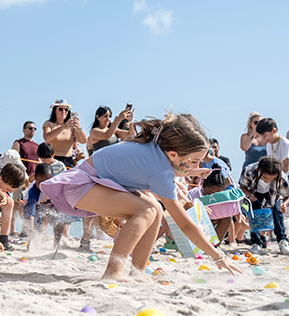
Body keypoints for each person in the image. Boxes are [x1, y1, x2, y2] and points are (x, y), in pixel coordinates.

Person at [39, 112, 242, 281]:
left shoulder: (156, 147)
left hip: (95, 181)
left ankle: (137, 271)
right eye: (194, 161)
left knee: (153, 208)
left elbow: (154, 167)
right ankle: (113, 271)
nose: (197, 166)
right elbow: (186, 224)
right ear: (173, 154)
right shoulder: (161, 172)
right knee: (146, 210)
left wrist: (188, 171)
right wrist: (217, 255)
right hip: (82, 185)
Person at [239, 156, 289, 254]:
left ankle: (282, 240)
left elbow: (287, 195)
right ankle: (257, 242)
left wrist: (285, 204)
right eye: (265, 177)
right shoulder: (249, 170)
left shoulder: (282, 177)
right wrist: (250, 195)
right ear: (259, 170)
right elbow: (242, 186)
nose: (267, 181)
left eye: (272, 179)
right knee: (254, 215)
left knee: (277, 213)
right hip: (255, 193)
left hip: (275, 194)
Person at [188, 165, 247, 246]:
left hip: (213, 218)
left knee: (227, 217)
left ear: (223, 191)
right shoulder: (195, 193)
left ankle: (214, 244)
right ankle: (199, 243)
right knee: (205, 217)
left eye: (216, 194)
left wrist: (240, 218)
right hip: (196, 221)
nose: (212, 197)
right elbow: (185, 207)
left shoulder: (223, 197)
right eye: (208, 193)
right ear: (203, 187)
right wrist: (198, 207)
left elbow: (231, 207)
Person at [42, 99, 87, 169]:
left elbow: (84, 140)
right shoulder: (49, 124)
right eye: (60, 109)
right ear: (55, 110)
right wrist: (63, 127)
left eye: (66, 110)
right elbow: (47, 137)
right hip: (53, 160)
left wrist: (78, 128)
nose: (64, 112)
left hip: (68, 161)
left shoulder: (71, 127)